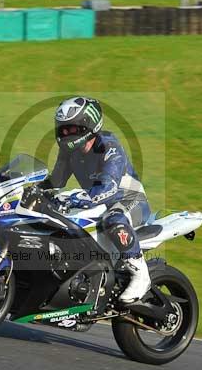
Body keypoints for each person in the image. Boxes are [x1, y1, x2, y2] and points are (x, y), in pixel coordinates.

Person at [39, 96, 151, 303]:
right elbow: (56, 181)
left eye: (70, 129)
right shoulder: (68, 152)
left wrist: (79, 200)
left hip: (131, 201)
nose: (65, 134)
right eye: (62, 129)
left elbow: (108, 186)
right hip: (98, 202)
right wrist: (30, 191)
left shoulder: (109, 147)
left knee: (113, 219)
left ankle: (140, 274)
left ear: (87, 125)